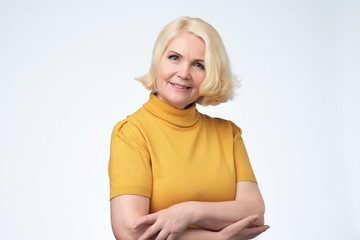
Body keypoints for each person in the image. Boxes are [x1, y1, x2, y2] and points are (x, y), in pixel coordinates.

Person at [108, 16, 269, 240]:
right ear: (158, 61)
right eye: (175, 57)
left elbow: (254, 212)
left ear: (211, 74)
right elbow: (131, 231)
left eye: (198, 64)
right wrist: (216, 238)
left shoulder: (228, 134)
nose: (184, 73)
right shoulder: (132, 132)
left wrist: (189, 212)